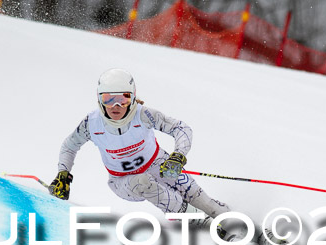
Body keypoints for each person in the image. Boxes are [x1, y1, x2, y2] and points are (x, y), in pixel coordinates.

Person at [49, 68, 233, 224]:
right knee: (142, 182)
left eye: (124, 99)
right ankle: (198, 221)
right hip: (122, 181)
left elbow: (181, 128)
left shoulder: (143, 115)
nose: (116, 106)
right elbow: (69, 146)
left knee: (204, 201)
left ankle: (233, 221)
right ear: (99, 99)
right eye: (108, 99)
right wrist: (63, 174)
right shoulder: (92, 123)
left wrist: (178, 155)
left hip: (160, 165)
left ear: (133, 97)